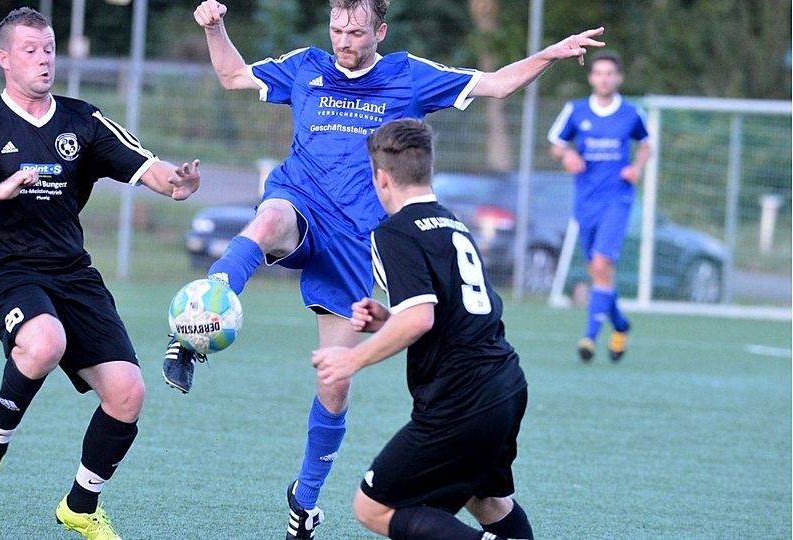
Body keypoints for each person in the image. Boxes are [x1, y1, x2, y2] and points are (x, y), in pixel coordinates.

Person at [166, 1, 602, 537]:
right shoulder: (306, 66)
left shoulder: (409, 76)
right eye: (336, 29)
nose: (343, 40)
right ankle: (191, 329)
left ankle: (303, 501)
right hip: (301, 201)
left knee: (334, 383)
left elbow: (497, 85)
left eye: (355, 31)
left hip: (354, 242)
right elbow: (233, 75)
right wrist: (215, 27)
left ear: (380, 31)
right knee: (265, 222)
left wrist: (552, 54)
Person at [0, 8, 201, 540]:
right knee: (43, 343)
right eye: (30, 50)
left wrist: (176, 182)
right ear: (4, 59)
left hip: (72, 275)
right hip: (7, 272)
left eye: (48, 48)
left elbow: (146, 166)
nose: (44, 59)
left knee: (128, 394)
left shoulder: (82, 120)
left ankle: (81, 505)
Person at [312, 118, 533, 540]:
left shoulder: (394, 233)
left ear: (380, 178)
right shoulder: (451, 223)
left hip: (460, 397)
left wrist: (351, 359)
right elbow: (447, 310)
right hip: (505, 384)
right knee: (485, 498)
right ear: (427, 170)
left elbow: (421, 318)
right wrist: (387, 319)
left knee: (374, 507)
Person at [547, 50, 651, 363]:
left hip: (618, 199)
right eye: (599, 73)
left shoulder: (631, 113)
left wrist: (637, 167)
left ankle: (589, 338)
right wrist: (568, 157)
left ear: (618, 78)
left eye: (610, 73)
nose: (604, 79)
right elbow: (556, 145)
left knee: (603, 265)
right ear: (591, 78)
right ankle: (620, 325)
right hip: (586, 201)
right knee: (597, 270)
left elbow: (646, 144)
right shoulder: (576, 111)